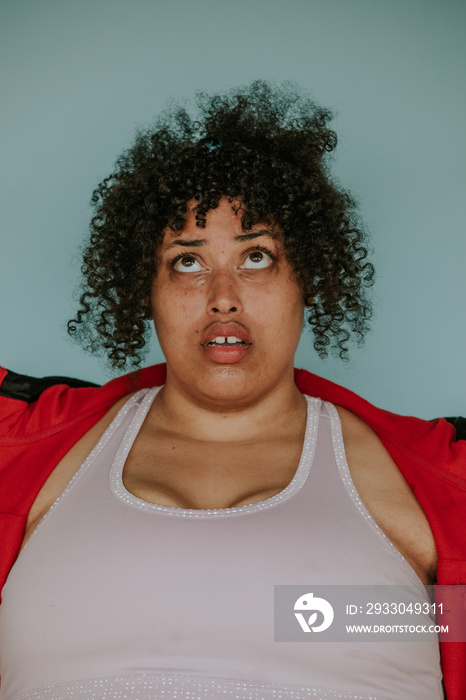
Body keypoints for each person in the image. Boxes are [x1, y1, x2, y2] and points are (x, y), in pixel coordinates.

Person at [0, 80, 464, 700]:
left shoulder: (431, 488)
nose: (223, 295)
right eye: (187, 261)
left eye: (258, 257)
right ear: (145, 289)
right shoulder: (28, 456)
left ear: (311, 278)